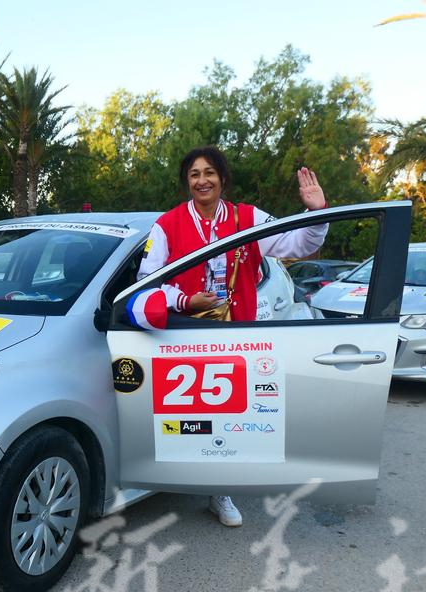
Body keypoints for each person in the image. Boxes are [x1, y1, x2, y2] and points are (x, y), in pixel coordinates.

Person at [138, 146, 329, 527]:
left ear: (222, 177)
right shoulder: (167, 225)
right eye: (194, 174)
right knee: (189, 415)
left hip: (237, 335)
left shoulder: (248, 217)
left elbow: (299, 244)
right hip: (185, 334)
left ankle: (220, 492)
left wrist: (316, 213)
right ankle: (177, 479)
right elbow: (145, 284)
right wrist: (183, 299)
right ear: (186, 181)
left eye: (209, 172)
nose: (202, 180)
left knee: (229, 417)